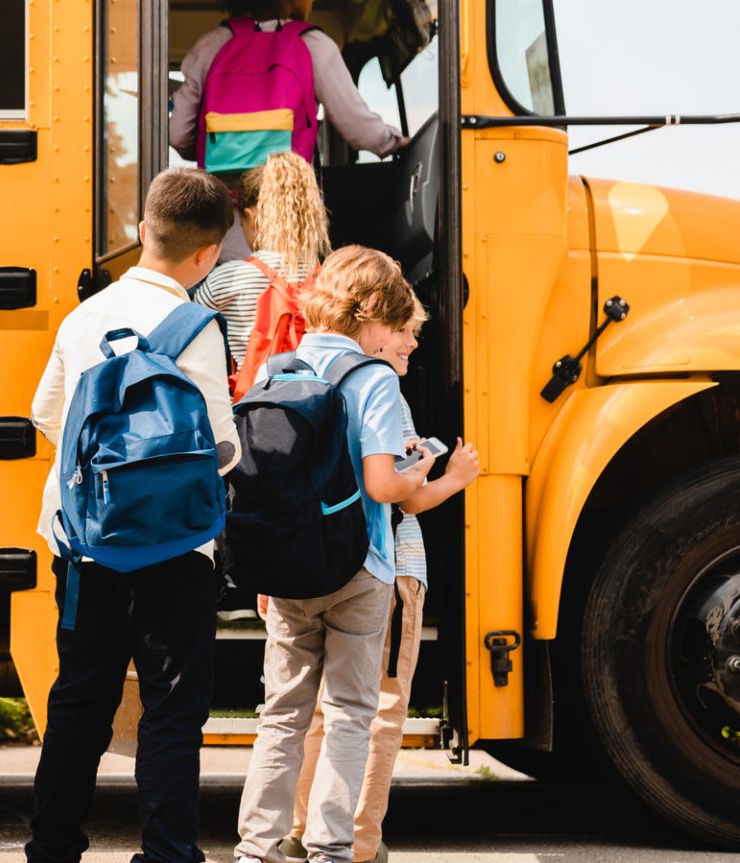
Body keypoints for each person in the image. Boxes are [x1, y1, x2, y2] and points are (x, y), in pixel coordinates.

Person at [27, 168, 240, 863]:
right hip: (176, 552)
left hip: (85, 544)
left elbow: (45, 414)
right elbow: (221, 444)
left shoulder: (83, 317)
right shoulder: (196, 329)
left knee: (80, 698)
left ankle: (54, 846)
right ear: (209, 255)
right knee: (171, 709)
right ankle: (167, 852)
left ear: (143, 231)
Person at [235, 246, 433, 863]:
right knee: (350, 712)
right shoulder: (372, 379)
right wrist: (425, 470)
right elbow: (382, 485)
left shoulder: (277, 369)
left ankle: (255, 845)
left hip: (288, 568)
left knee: (282, 716)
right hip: (359, 568)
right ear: (372, 312)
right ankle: (327, 846)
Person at [280, 299, 482, 863]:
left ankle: (303, 830)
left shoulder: (303, 379)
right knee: (379, 709)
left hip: (314, 565)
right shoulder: (382, 393)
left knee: (320, 711)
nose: (412, 344)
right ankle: (359, 841)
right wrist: (453, 478)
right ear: (369, 327)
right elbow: (402, 495)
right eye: (402, 330)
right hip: (387, 568)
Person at [171, 0, 407, 260]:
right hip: (289, 211)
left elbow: (178, 134)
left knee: (229, 287)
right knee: (287, 289)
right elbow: (363, 132)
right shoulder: (314, 45)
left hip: (225, 208)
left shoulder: (210, 45)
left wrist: (219, 148)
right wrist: (395, 142)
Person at [195, 151, 330, 367]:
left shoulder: (227, 280)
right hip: (317, 397)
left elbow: (190, 333)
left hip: (252, 398)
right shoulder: (331, 280)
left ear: (251, 218)